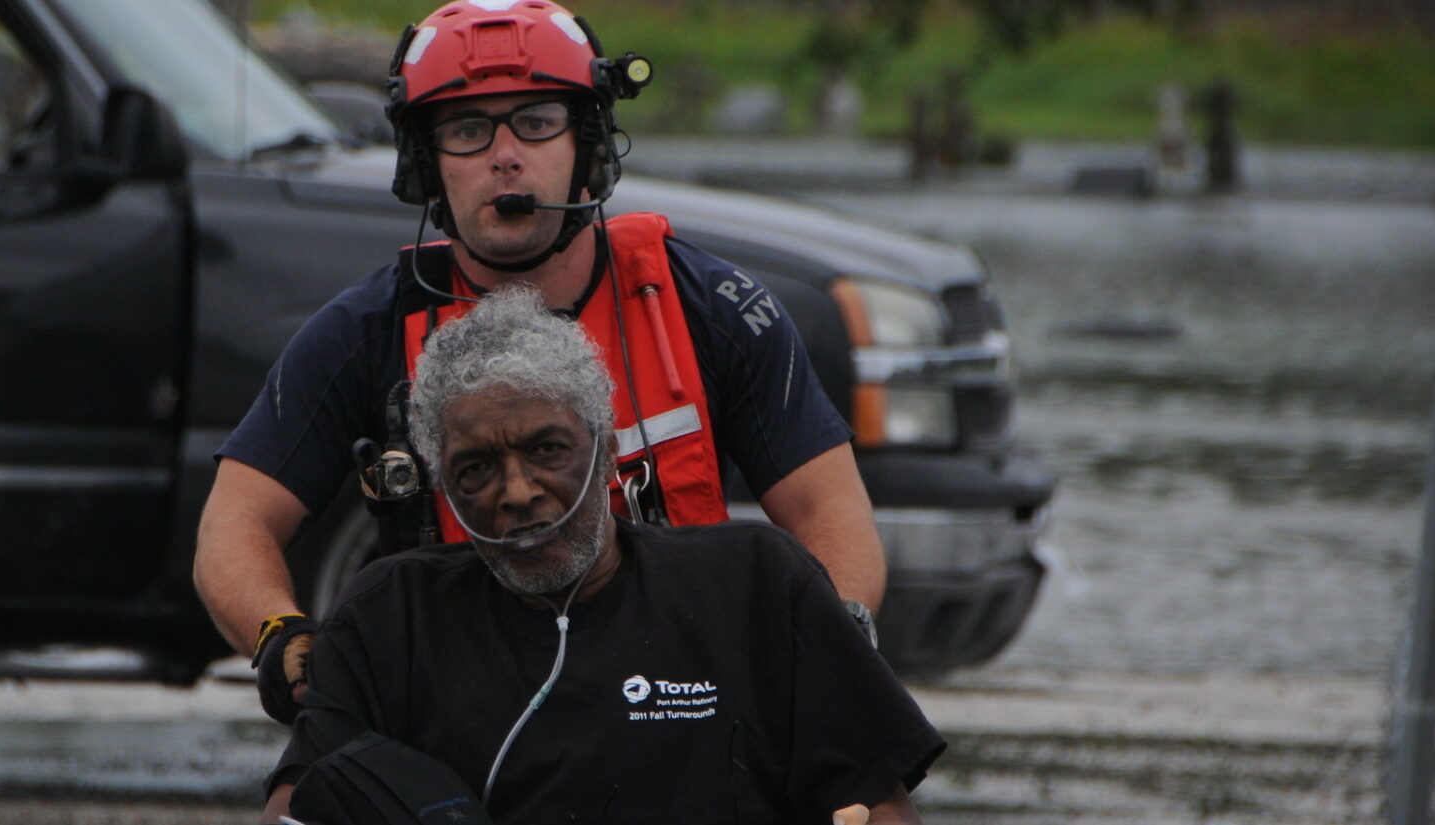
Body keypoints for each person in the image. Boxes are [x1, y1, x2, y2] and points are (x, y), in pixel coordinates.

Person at [195, 0, 887, 724]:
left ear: (589, 148)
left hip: (687, 700)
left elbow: (830, 507)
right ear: (425, 165)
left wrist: (835, 644)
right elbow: (235, 521)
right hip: (468, 708)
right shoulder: (364, 331)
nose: (505, 155)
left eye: (536, 122)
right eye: (467, 129)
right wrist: (279, 634)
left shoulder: (706, 305)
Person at [262, 288, 943, 824]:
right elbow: (293, 809)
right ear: (442, 484)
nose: (518, 492)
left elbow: (878, 803)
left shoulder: (757, 585)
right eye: (475, 469)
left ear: (609, 450)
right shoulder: (388, 619)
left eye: (547, 450)